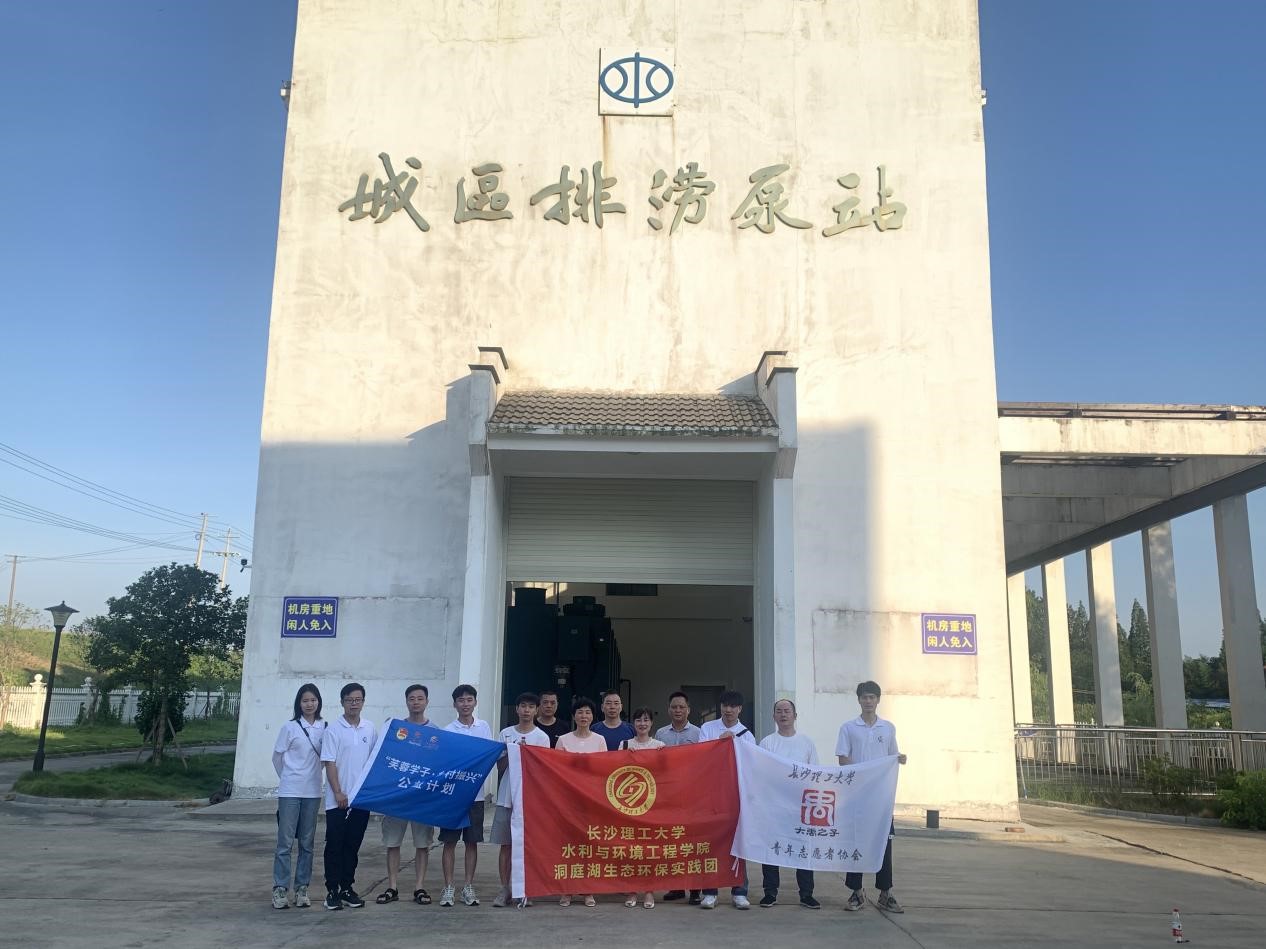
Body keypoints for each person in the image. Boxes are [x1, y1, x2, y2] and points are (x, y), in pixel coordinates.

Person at [836, 680, 908, 914]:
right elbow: (843, 758)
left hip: (881, 798)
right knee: (856, 842)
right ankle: (856, 891)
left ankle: (885, 892)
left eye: (872, 697)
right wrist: (862, 777)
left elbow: (892, 756)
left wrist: (900, 758)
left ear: (878, 700)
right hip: (857, 796)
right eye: (864, 697)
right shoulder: (848, 728)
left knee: (883, 842)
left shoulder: (887, 728)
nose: (868, 701)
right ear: (858, 700)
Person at [376, 684, 438, 906]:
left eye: (420, 698)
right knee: (393, 842)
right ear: (406, 702)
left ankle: (419, 886)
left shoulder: (435, 732)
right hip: (397, 795)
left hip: (421, 798)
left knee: (422, 844)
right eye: (412, 698)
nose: (416, 702)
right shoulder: (397, 729)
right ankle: (392, 886)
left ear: (427, 702)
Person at [758, 699, 820, 910]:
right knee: (772, 849)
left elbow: (814, 773)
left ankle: (806, 893)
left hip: (800, 806)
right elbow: (762, 773)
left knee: (803, 849)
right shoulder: (767, 743)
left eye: (787, 711)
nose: (783, 714)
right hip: (774, 806)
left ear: (795, 715)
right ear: (773, 716)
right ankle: (770, 892)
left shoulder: (806, 742)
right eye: (779, 711)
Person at [320, 682, 377, 911]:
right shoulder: (333, 730)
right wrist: (337, 792)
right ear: (342, 702)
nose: (354, 704)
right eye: (349, 700)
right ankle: (332, 890)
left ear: (363, 702)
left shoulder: (369, 729)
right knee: (335, 845)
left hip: (360, 800)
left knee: (352, 846)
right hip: (338, 800)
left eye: (358, 700)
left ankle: (346, 888)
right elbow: (330, 762)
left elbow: (373, 761)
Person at [491, 692, 550, 907]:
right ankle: (505, 888)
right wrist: (513, 752)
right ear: (517, 709)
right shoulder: (505, 733)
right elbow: (499, 767)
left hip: (530, 799)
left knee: (527, 845)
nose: (526, 710)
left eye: (531, 707)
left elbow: (544, 770)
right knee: (506, 845)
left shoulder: (542, 737)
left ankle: (524, 889)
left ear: (536, 710)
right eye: (523, 706)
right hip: (506, 797)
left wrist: (528, 754)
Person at [698, 689, 754, 909]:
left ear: (739, 709)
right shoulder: (708, 729)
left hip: (735, 795)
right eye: (725, 705)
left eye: (732, 706)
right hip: (711, 794)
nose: (728, 710)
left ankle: (739, 891)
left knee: (738, 843)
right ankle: (709, 892)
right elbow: (700, 756)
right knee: (710, 843)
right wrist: (719, 743)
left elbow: (751, 766)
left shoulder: (747, 734)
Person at [271, 683, 326, 909]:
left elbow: (327, 758)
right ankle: (280, 889)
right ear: (299, 703)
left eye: (313, 700)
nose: (309, 704)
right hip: (290, 792)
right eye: (305, 701)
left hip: (313, 792)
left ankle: (302, 888)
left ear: (318, 702)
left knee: (307, 843)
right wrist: (289, 777)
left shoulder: (325, 727)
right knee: (285, 843)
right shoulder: (290, 727)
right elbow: (277, 757)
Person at [438, 683, 493, 908]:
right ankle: (448, 887)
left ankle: (468, 887)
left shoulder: (484, 727)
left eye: (469, 699)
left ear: (475, 702)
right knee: (449, 842)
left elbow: (489, 756)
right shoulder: (448, 730)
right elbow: (445, 762)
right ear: (454, 704)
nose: (465, 704)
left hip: (476, 796)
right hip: (453, 796)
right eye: (461, 700)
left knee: (472, 842)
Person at [556, 697, 606, 907]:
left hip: (591, 801)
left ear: (593, 716)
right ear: (574, 716)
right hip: (569, 801)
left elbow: (603, 770)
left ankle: (587, 890)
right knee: (568, 846)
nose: (584, 716)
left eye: (587, 712)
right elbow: (556, 770)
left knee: (589, 846)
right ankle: (567, 890)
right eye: (580, 712)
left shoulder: (600, 740)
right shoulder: (563, 740)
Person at [657, 691, 702, 904]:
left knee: (691, 842)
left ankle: (694, 889)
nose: (677, 710)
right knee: (672, 841)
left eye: (681, 707)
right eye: (674, 707)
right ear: (669, 710)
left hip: (692, 793)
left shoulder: (698, 733)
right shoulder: (660, 734)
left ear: (688, 710)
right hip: (668, 795)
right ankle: (676, 887)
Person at [621, 707, 664, 909]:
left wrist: (661, 758)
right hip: (629, 804)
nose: (642, 724)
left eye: (646, 720)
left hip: (652, 805)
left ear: (651, 723)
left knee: (649, 850)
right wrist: (625, 757)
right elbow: (615, 772)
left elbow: (665, 775)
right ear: (633, 723)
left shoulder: (660, 746)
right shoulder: (624, 744)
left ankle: (648, 891)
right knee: (630, 849)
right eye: (638, 720)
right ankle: (631, 891)